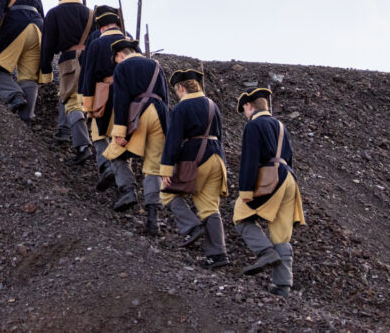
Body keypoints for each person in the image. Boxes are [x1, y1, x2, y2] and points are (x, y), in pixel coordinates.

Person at [233, 87, 306, 297]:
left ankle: (265, 253)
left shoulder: (254, 125)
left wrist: (246, 190)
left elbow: (250, 159)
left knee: (241, 216)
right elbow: (290, 156)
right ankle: (282, 285)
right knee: (280, 232)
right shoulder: (282, 126)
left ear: (249, 106)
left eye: (244, 110)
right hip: (289, 178)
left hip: (269, 177)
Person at [159, 69, 229, 269]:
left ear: (181, 88)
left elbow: (173, 140)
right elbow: (220, 134)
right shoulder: (212, 105)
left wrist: (166, 169)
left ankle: (191, 227)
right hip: (217, 158)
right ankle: (218, 254)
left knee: (168, 194)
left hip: (195, 157)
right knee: (209, 206)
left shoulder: (182, 107)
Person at [103, 37, 169, 234]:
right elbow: (165, 96)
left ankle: (127, 191)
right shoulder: (156, 66)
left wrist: (120, 131)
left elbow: (121, 99)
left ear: (120, 55)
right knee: (153, 167)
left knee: (114, 152)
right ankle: (152, 220)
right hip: (160, 114)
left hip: (138, 114)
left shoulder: (122, 68)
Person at [39, 0, 94, 164]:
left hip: (69, 60)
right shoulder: (91, 13)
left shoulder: (54, 13)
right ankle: (63, 130)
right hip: (90, 60)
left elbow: (47, 45)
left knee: (71, 100)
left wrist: (44, 67)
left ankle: (82, 146)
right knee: (71, 93)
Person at [79, 6, 128, 190]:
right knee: (122, 136)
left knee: (99, 134)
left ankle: (106, 166)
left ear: (101, 27)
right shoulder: (129, 42)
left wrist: (87, 104)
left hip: (104, 92)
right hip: (128, 94)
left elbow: (88, 74)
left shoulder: (96, 44)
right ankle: (125, 183)